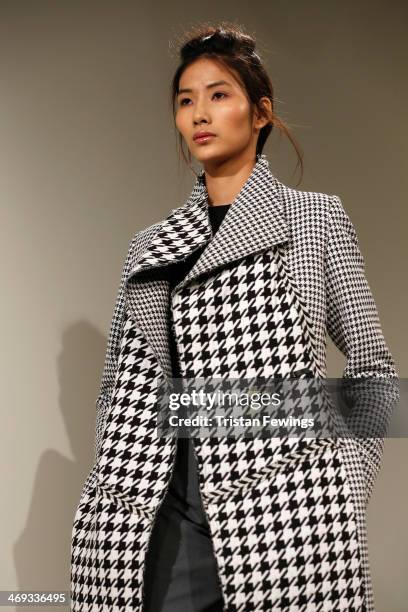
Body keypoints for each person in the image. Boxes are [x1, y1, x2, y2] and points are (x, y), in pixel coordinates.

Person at [70, 22, 399, 612]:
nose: (200, 113)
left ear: (261, 112)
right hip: (156, 515)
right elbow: (115, 391)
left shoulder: (312, 221)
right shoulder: (151, 247)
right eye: (186, 100)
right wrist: (113, 475)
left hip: (286, 520)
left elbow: (374, 370)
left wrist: (342, 480)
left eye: (219, 95)